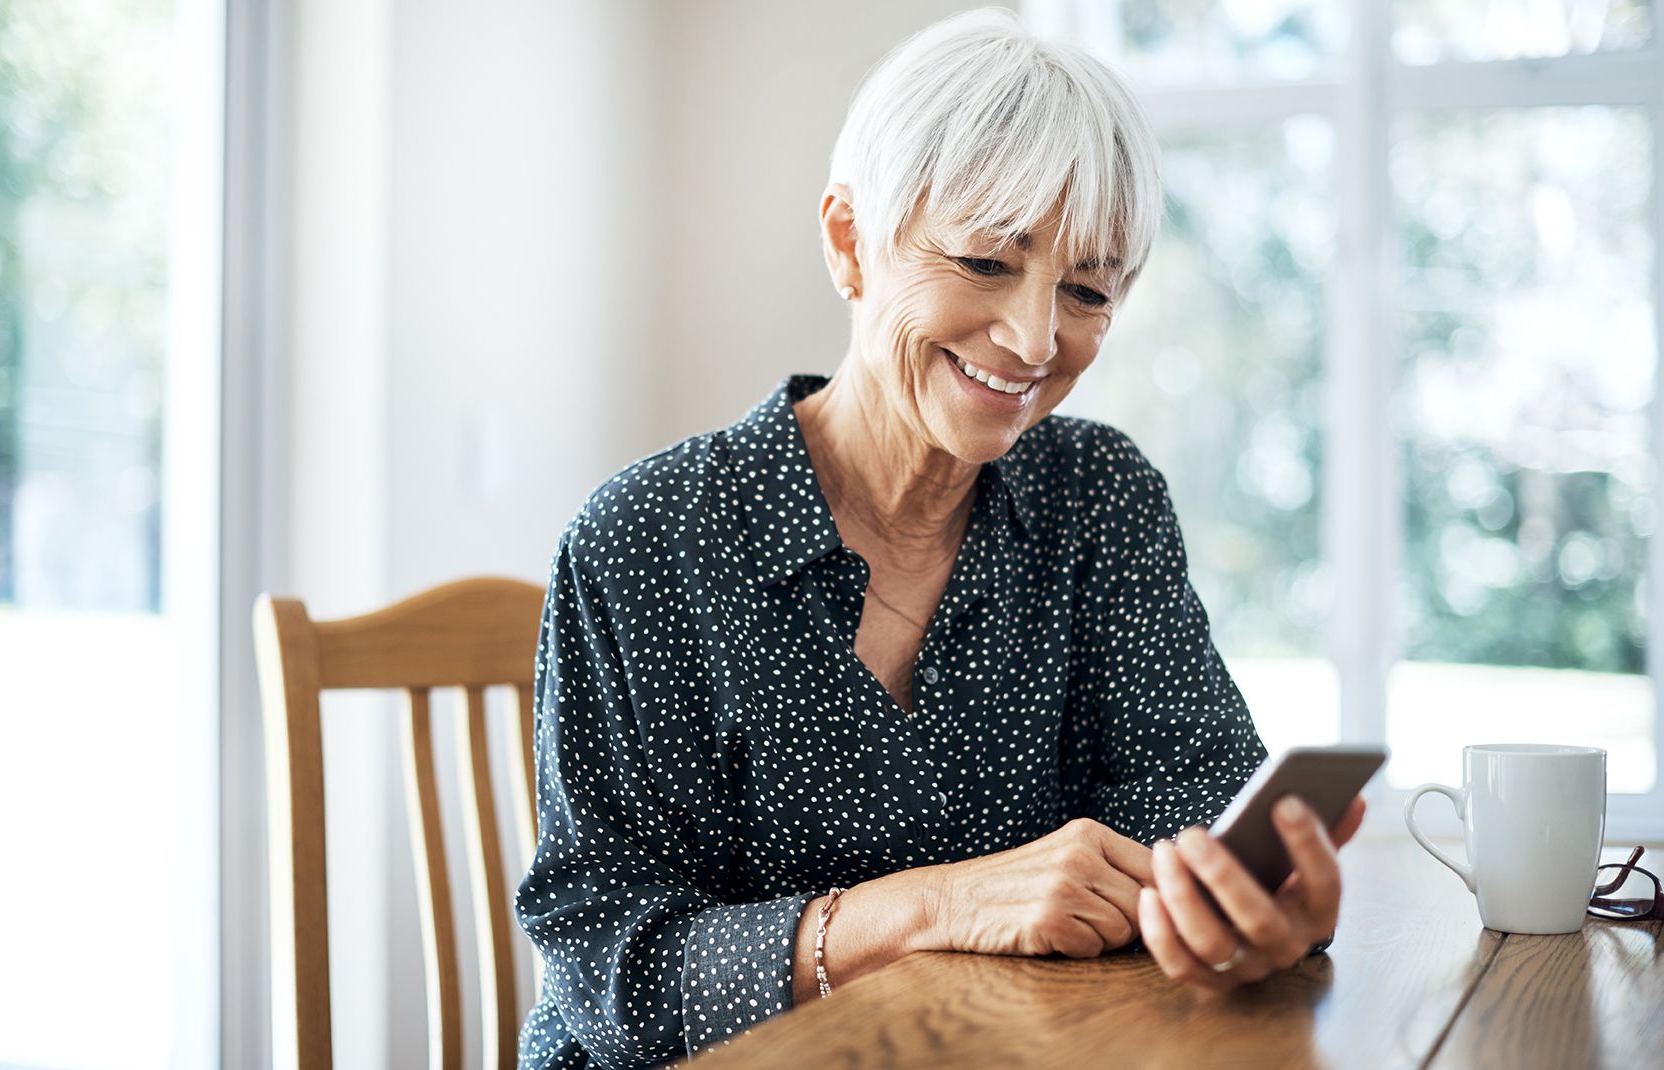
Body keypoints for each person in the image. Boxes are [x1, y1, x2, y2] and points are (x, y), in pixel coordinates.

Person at [514, 8, 1366, 1068]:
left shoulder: (1099, 499)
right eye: (983, 261)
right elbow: (613, 969)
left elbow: (1195, 805)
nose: (1035, 338)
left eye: (1088, 288)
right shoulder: (648, 538)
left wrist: (1251, 910)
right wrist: (935, 904)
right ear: (847, 241)